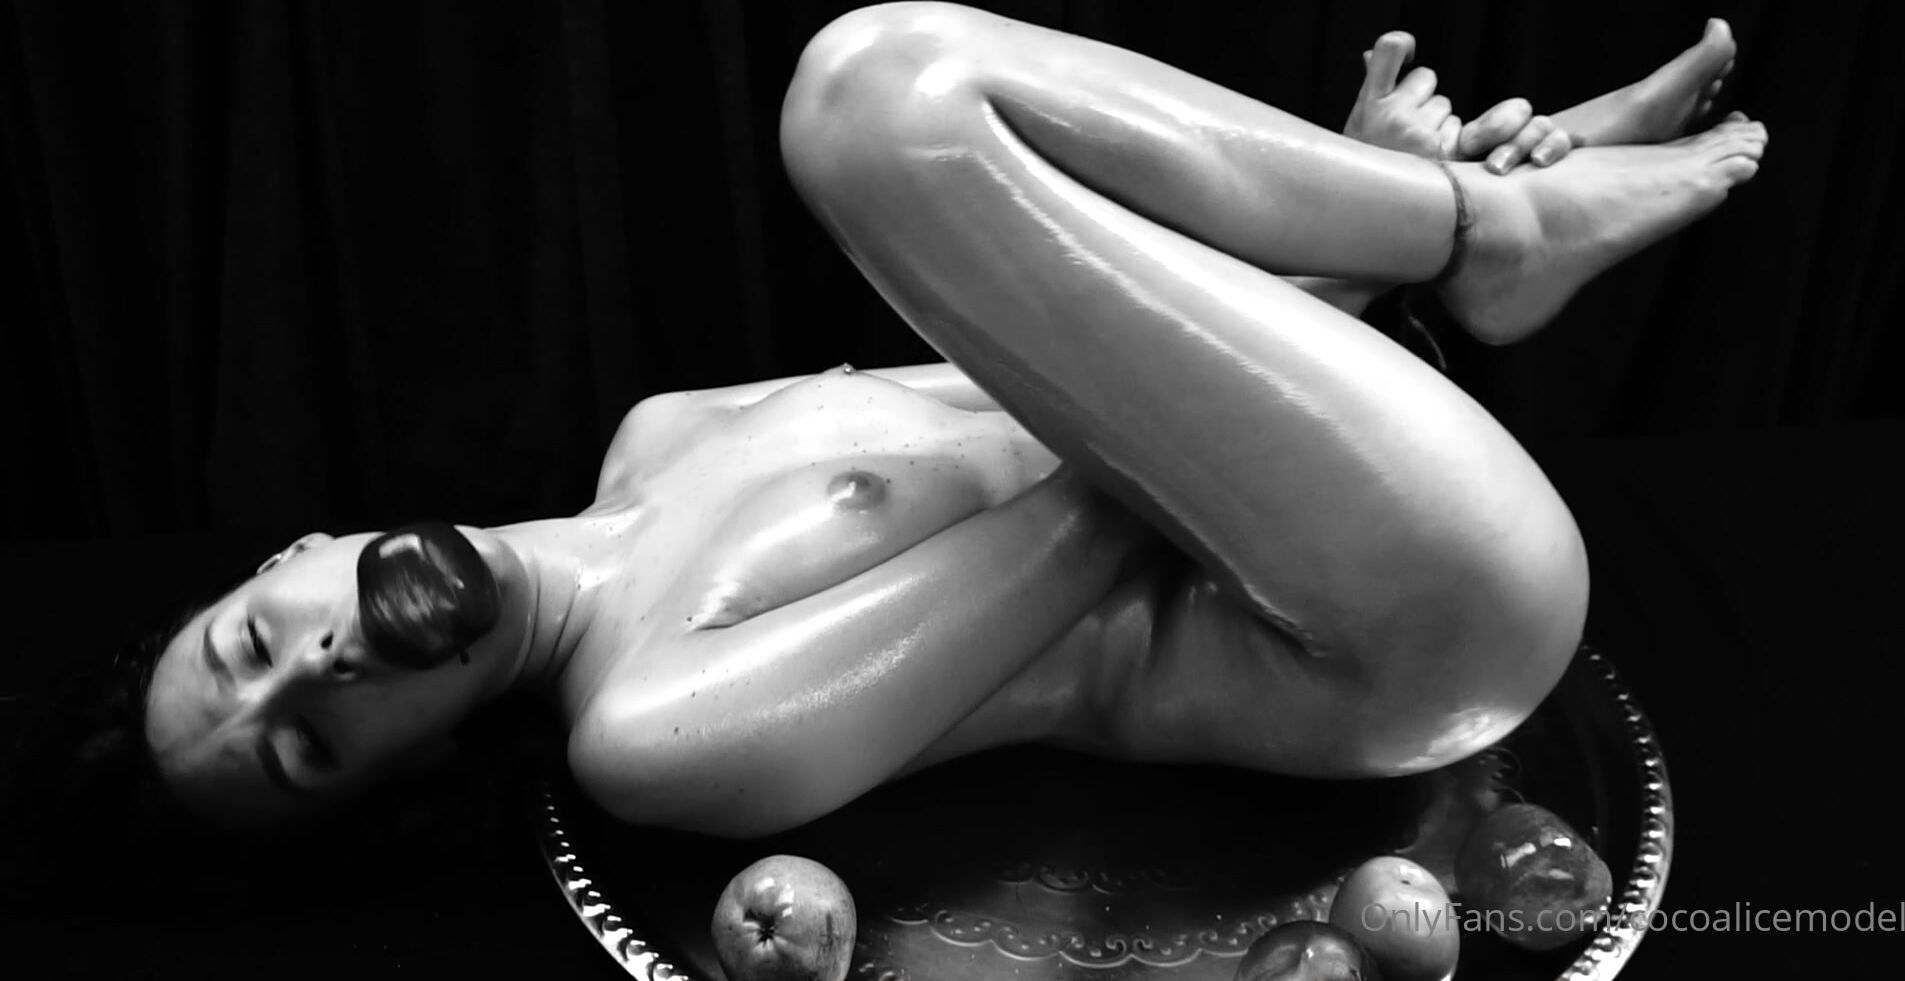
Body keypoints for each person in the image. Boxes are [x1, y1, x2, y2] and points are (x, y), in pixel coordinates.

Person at [138, 3, 1763, 838]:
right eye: (307, 743)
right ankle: (1481, 230)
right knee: (871, 103)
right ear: (408, 763)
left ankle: (1474, 222)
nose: (319, 666)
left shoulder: (662, 432)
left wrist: (1330, 219)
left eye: (250, 644)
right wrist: (1364, 256)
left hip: (1339, 490)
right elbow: (1107, 502)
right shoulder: (645, 727)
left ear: (297, 556)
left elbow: (1105, 366)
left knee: (880, 92)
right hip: (1390, 631)